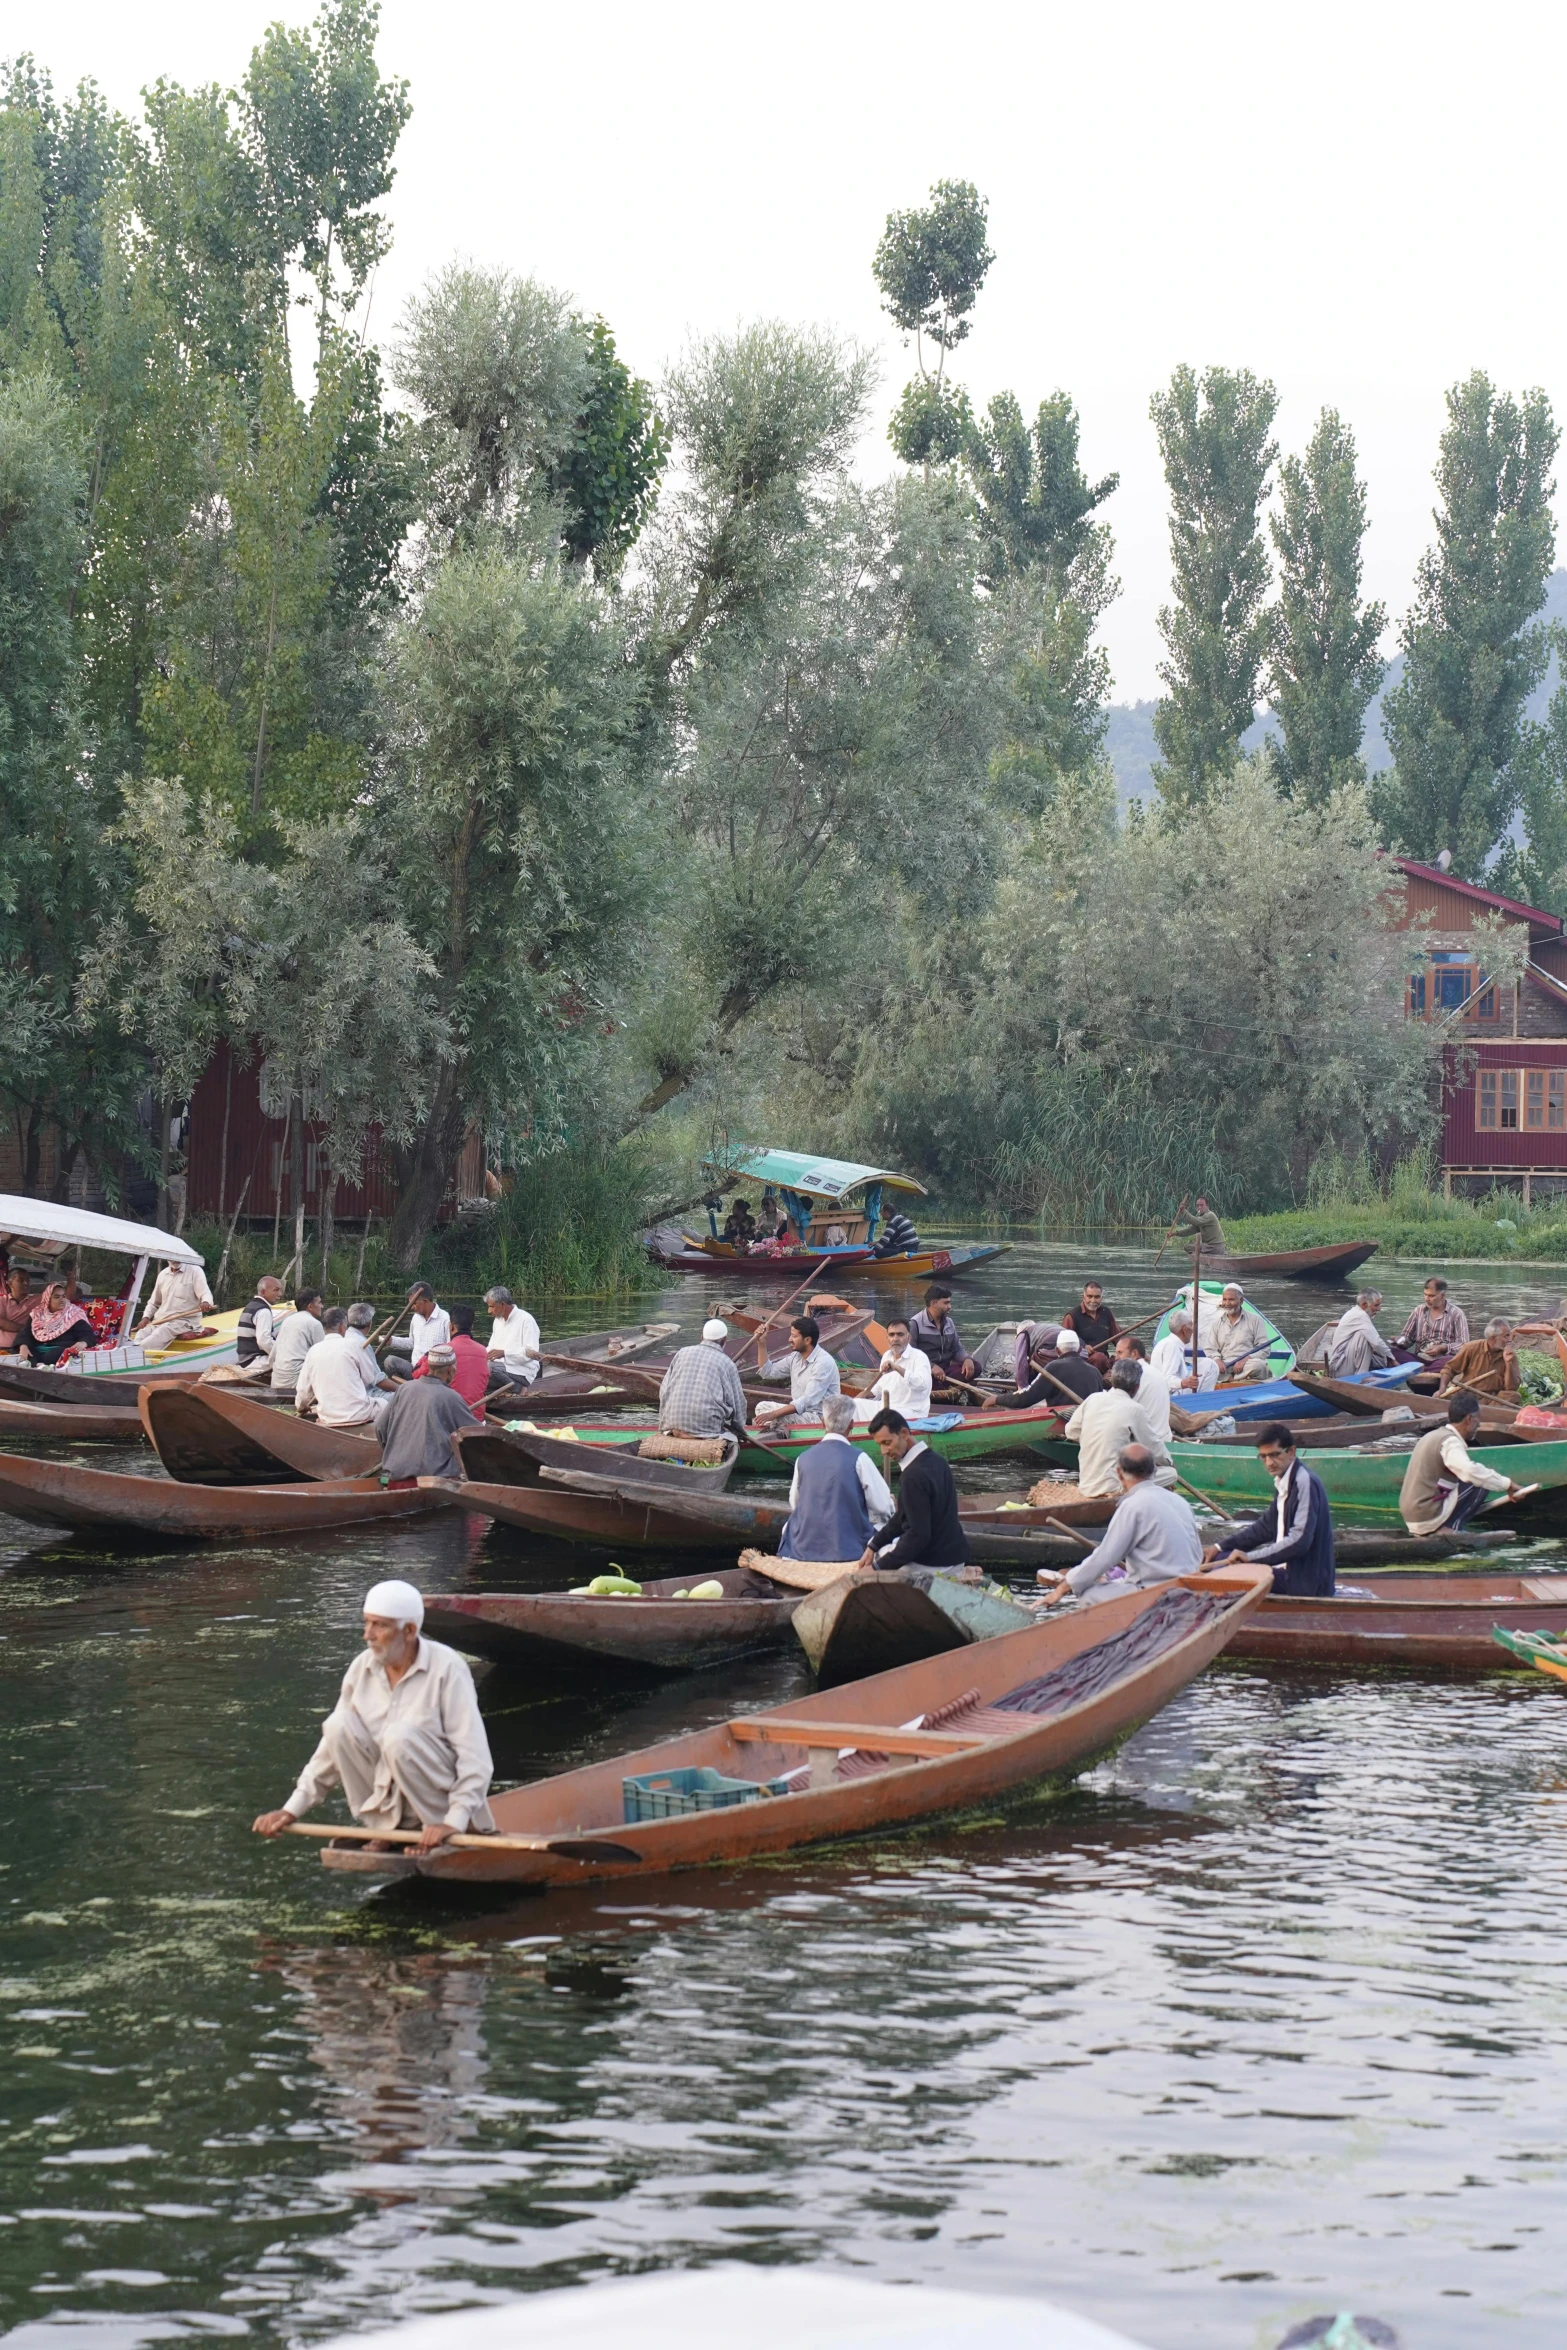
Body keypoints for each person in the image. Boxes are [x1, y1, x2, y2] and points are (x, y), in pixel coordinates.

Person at [252, 1579, 495, 1855]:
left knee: (399, 1737)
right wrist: (291, 1809)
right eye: (366, 1623)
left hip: (443, 1812)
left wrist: (454, 1820)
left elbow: (475, 1758)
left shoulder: (448, 1668)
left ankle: (431, 1830)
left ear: (409, 1631)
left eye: (379, 1625)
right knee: (337, 1725)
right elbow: (329, 1752)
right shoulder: (361, 1668)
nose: (368, 1635)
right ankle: (387, 1830)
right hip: (389, 1810)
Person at [1034, 1446, 1205, 1607]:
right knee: (1113, 1583)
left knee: (1088, 1594)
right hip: (1188, 1587)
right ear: (1154, 1471)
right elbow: (1197, 1555)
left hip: (1156, 1593)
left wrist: (1063, 1587)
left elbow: (1105, 1556)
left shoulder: (1133, 1505)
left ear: (1119, 1474)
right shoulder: (1180, 1502)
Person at [1202, 1423, 1335, 1594]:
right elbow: (1265, 1527)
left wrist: (1249, 1558)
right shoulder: (1284, 1481)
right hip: (1285, 1573)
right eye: (1263, 1457)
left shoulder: (1304, 1482)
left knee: (1224, 1575)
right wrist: (1219, 1547)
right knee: (1219, 1559)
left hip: (1303, 1582)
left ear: (1291, 1452)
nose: (1269, 1462)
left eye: (1274, 1455)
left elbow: (1300, 1540)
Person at [779, 1393, 895, 1559]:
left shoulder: (802, 1459)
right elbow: (883, 1508)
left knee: (790, 1524)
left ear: (822, 1423)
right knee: (890, 1527)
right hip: (848, 1550)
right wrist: (890, 1505)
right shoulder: (859, 1459)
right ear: (852, 1425)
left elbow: (795, 1504)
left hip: (802, 1549)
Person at [855, 1408, 968, 1573]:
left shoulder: (913, 1477)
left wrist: (877, 1568)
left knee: (882, 1556)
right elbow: (903, 1516)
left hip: (936, 1564)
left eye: (887, 1443)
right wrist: (874, 1544)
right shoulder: (938, 1461)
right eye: (880, 1445)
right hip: (956, 1557)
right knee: (879, 1546)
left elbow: (918, 1535)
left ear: (904, 1433)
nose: (884, 1452)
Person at [1399, 1392, 1526, 1536]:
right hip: (1425, 1515)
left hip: (1413, 1515)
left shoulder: (1432, 1436)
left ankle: (1444, 1526)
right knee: (1478, 1480)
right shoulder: (1449, 1441)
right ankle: (1451, 1528)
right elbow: (1469, 1471)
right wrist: (1507, 1484)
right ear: (1469, 1419)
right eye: (1478, 1420)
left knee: (1475, 1476)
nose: (1479, 1425)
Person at [1064, 1360, 1173, 1497]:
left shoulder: (1093, 1399)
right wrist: (1169, 1462)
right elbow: (1154, 1448)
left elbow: (1071, 1432)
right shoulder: (1135, 1409)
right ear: (1136, 1387)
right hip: (1114, 1486)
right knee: (1171, 1474)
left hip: (1086, 1485)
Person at [378, 1347, 477, 1482]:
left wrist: (392, 1453)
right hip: (434, 1481)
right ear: (451, 1370)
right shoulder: (452, 1397)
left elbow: (380, 1428)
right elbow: (476, 1437)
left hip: (396, 1476)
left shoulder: (404, 1388)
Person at [296, 1304, 393, 1428]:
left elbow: (303, 1392)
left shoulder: (313, 1351)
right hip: (358, 1414)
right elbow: (370, 1378)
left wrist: (302, 1407)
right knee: (386, 1403)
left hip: (328, 1417)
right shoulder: (354, 1346)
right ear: (343, 1327)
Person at [659, 1318, 750, 1440]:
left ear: (701, 1337)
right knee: (729, 1434)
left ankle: (676, 1429)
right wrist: (740, 1432)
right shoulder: (727, 1363)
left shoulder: (682, 1353)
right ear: (725, 1340)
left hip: (670, 1424)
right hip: (707, 1430)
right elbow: (738, 1404)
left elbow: (663, 1391)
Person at [754, 1315, 840, 1427]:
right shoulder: (795, 1357)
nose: (789, 1339)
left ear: (807, 1340)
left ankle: (773, 1435)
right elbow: (767, 1371)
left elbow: (807, 1400)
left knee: (774, 1418)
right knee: (762, 1407)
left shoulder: (823, 1362)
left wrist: (773, 1414)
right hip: (801, 1414)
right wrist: (761, 1343)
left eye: (794, 1336)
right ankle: (773, 1433)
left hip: (820, 1418)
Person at [856, 1316, 933, 1421]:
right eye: (891, 1335)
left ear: (909, 1337)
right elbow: (879, 1388)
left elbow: (922, 1384)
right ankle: (858, 1435)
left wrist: (897, 1368)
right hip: (886, 1408)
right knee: (855, 1404)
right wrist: (864, 1394)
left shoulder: (919, 1357)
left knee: (887, 1415)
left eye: (900, 1335)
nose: (895, 1339)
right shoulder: (887, 1356)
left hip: (911, 1412)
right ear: (887, 1338)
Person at [134, 1256, 215, 1351]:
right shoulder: (162, 1275)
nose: (176, 1259)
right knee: (141, 1334)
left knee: (157, 1335)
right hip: (160, 1321)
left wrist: (206, 1302)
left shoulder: (195, 1271)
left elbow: (205, 1293)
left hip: (184, 1321)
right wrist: (145, 1318)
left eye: (178, 1256)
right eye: (172, 1256)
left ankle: (136, 1356)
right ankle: (131, 1355)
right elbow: (154, 1303)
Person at [1436, 1317, 1521, 1402]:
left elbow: (1512, 1388)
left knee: (1513, 1396)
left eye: (1509, 1335)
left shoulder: (1510, 1355)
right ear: (1493, 1338)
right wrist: (1442, 1389)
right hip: (1469, 1395)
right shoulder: (1471, 1348)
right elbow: (1449, 1369)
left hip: (1493, 1398)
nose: (1510, 1340)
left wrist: (1508, 1363)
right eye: (1506, 1336)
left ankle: (1482, 1410)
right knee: (1450, 1397)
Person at [910, 1285, 977, 1389]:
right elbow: (910, 1355)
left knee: (975, 1366)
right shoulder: (915, 1324)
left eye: (949, 1302)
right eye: (946, 1303)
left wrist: (967, 1359)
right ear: (933, 1303)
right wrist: (931, 1366)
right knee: (924, 1381)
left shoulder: (949, 1322)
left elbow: (957, 1349)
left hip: (946, 1371)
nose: (949, 1306)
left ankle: (942, 1385)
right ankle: (942, 1386)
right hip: (925, 1372)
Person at [426, 1304, 491, 1408]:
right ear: (472, 1327)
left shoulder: (441, 1351)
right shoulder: (483, 1351)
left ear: (451, 1326)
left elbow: (416, 1375)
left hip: (448, 1416)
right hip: (477, 1417)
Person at [18, 1279, 97, 1364]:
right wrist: (23, 1346)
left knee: (56, 1354)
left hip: (60, 1349)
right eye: (57, 1297)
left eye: (63, 1296)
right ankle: (37, 1365)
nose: (62, 1300)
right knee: (21, 1351)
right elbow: (25, 1333)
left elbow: (88, 1335)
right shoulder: (37, 1314)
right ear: (48, 1299)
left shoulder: (73, 1314)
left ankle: (38, 1366)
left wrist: (83, 1342)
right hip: (39, 1349)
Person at [384, 1283, 451, 1380]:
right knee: (390, 1362)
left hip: (434, 1374)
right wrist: (392, 1341)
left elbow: (451, 1350)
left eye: (414, 1303)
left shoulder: (445, 1318)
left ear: (425, 1301)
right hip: (415, 1370)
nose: (412, 1307)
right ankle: (404, 1390)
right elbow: (412, 1343)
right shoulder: (416, 1318)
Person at [1396, 1276, 1469, 1363]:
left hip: (1443, 1359)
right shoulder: (1419, 1310)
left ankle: (1424, 1371)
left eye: (1431, 1296)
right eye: (1425, 1294)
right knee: (1392, 1352)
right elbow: (1407, 1338)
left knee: (1449, 1361)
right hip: (1419, 1358)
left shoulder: (1456, 1314)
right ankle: (1422, 1369)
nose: (1427, 1299)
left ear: (1442, 1295)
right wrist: (1399, 1341)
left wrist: (1443, 1347)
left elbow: (1463, 1345)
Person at [1209, 1283, 1273, 1381]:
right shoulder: (1217, 1324)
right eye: (1224, 1299)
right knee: (1205, 1368)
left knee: (1259, 1365)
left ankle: (1230, 1379)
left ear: (1241, 1301)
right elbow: (1210, 1349)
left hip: (1247, 1364)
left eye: (1231, 1299)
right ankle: (1237, 1379)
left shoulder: (1255, 1320)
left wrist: (1245, 1360)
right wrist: (1217, 1360)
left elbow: (1265, 1348)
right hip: (1225, 1366)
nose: (1227, 1303)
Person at [1115, 1335, 1172, 1444]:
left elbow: (1114, 1408)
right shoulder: (1155, 1372)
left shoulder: (1129, 1375)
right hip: (1164, 1438)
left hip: (1143, 1443)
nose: (1116, 1357)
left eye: (1120, 1353)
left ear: (1134, 1354)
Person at [1326, 1291, 1395, 1378]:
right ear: (1364, 1305)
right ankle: (1361, 1376)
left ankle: (1365, 1373)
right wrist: (1392, 1358)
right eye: (1376, 1305)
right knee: (1365, 1336)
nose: (1379, 1309)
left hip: (1344, 1365)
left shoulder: (1357, 1313)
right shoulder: (1360, 1316)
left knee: (1375, 1346)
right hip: (1340, 1368)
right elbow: (1376, 1342)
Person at [484, 1286, 541, 1389]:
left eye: (491, 1306)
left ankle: (519, 1389)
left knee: (491, 1368)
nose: (489, 1311)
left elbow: (532, 1353)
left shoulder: (526, 1320)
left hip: (523, 1370)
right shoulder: (498, 1321)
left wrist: (505, 1353)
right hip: (500, 1369)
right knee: (476, 1368)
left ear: (502, 1304)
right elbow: (491, 1348)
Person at [270, 1289, 325, 1396]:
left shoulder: (287, 1321)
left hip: (277, 1381)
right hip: (296, 1385)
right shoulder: (314, 1324)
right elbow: (324, 1359)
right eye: (319, 1303)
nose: (322, 1306)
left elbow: (272, 1358)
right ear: (310, 1306)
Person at [1150, 1310, 1217, 1393]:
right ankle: (1201, 1400)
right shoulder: (1172, 1346)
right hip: (1170, 1395)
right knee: (1210, 1365)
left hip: (1165, 1391)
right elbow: (1167, 1379)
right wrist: (1184, 1383)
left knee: (1204, 1363)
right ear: (1184, 1329)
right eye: (1191, 1326)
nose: (1192, 1330)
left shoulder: (1166, 1342)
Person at [1061, 1281, 1118, 1370]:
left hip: (1104, 1360)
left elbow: (1118, 1337)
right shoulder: (1072, 1316)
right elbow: (1063, 1344)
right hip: (1082, 1361)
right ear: (1083, 1297)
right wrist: (1082, 1347)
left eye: (1097, 1297)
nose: (1093, 1301)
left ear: (1101, 1298)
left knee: (1126, 1358)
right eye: (1090, 1296)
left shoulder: (1107, 1313)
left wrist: (1129, 1350)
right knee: (1099, 1358)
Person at [235, 1274, 286, 1374]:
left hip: (245, 1359)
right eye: (276, 1290)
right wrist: (283, 1354)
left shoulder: (251, 1306)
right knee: (295, 1360)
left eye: (280, 1290)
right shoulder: (263, 1311)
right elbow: (264, 1341)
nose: (280, 1294)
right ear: (263, 1292)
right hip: (255, 1361)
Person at [0, 1264, 33, 1354]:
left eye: (27, 1280)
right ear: (9, 1283)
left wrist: (70, 1280)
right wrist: (25, 1329)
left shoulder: (37, 1300)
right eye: (21, 1280)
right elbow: (1, 1322)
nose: (26, 1283)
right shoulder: (2, 1301)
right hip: (2, 1349)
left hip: (25, 1349)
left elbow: (68, 1297)